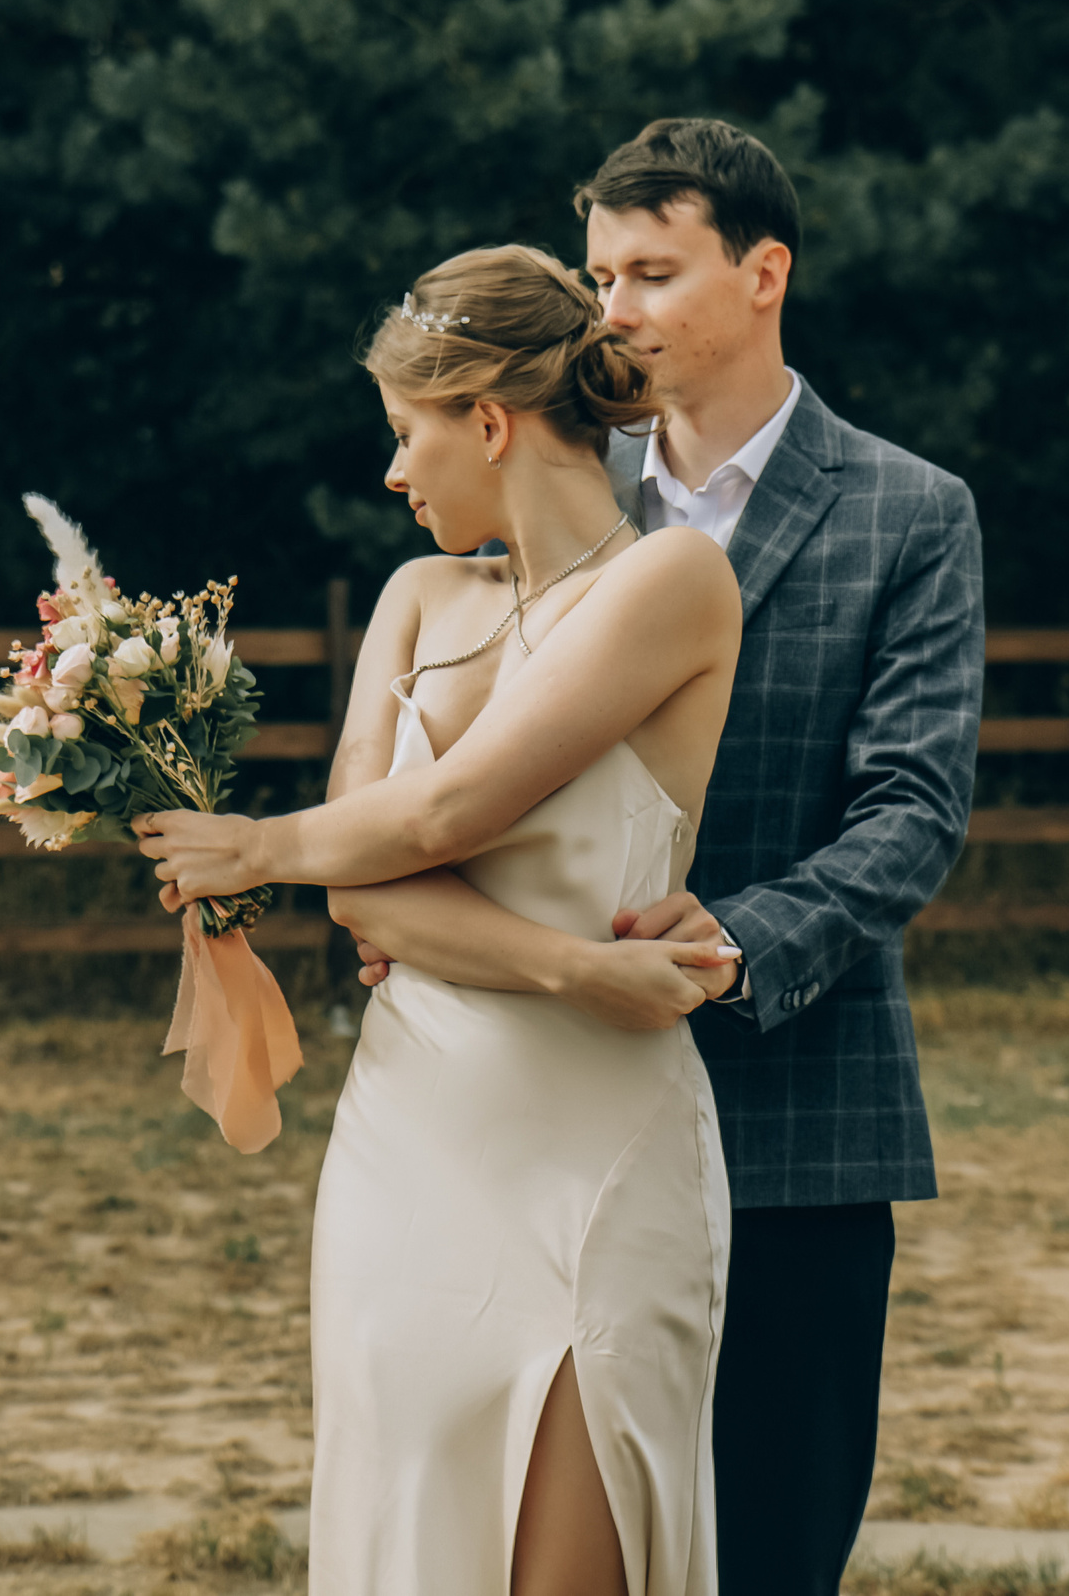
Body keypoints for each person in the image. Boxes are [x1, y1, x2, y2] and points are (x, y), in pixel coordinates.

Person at [348, 120, 986, 1592]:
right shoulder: (544, 478)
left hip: (796, 1114)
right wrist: (436, 919)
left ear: (764, 274)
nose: (614, 309)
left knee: (765, 1551)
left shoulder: (909, 511)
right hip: (529, 1109)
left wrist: (733, 946)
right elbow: (462, 748)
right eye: (598, 276)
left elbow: (912, 808)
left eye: (651, 272)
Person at [135, 242, 748, 1596]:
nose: (393, 473)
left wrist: (263, 845)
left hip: (601, 1144)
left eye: (406, 433)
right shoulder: (416, 601)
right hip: (413, 1140)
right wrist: (575, 969)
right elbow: (364, 883)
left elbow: (439, 818)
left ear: (488, 419)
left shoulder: (673, 582)